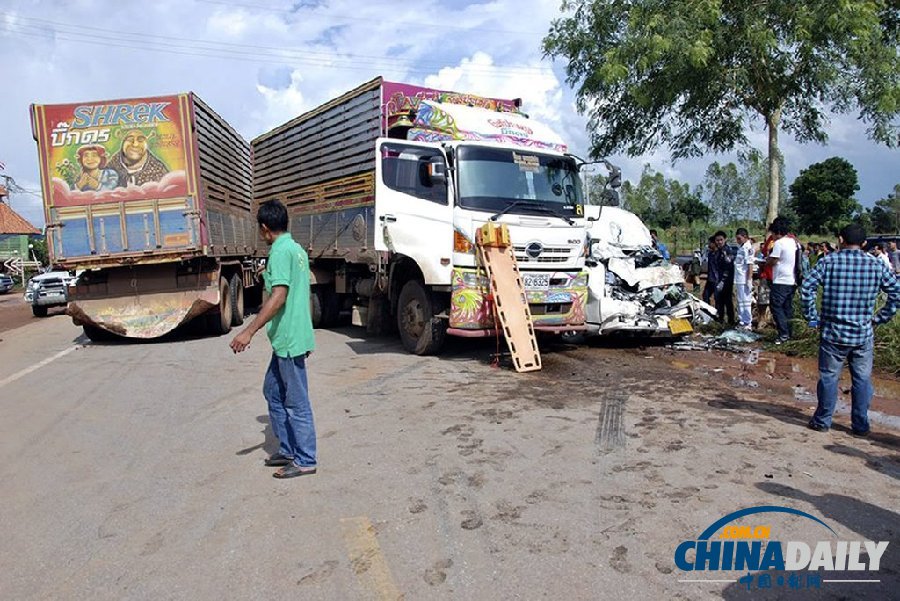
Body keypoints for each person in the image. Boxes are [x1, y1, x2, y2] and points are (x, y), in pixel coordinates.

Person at [230, 200, 318, 479]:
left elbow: (279, 297)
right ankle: (289, 449)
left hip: (290, 339)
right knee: (273, 391)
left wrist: (249, 330)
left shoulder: (280, 252)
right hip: (289, 337)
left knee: (296, 402)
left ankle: (305, 459)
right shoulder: (295, 249)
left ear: (265, 228)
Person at [801, 224, 900, 436]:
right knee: (862, 379)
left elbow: (807, 287)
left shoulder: (828, 261)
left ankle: (822, 420)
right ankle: (860, 424)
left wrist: (812, 318)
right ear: (864, 243)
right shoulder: (875, 264)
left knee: (829, 377)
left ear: (840, 240)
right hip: (863, 333)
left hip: (832, 332)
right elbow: (896, 293)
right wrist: (880, 318)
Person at [766, 219, 800, 344]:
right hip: (791, 280)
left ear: (777, 232)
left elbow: (773, 260)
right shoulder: (793, 242)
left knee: (776, 307)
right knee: (787, 308)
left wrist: (765, 261)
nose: (772, 237)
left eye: (773, 234)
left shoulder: (779, 243)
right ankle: (789, 333)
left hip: (780, 280)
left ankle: (783, 334)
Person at [710, 230, 735, 325]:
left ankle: (731, 321)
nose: (719, 242)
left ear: (725, 239)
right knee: (719, 300)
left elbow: (729, 266)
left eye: (721, 240)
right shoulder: (718, 251)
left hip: (727, 280)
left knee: (727, 301)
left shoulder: (727, 250)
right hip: (719, 279)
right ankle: (720, 319)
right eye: (717, 240)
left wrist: (723, 281)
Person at [733, 228, 754, 330]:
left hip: (744, 279)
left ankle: (747, 322)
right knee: (740, 301)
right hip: (739, 278)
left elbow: (750, 264)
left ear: (745, 237)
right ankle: (742, 321)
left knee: (745, 301)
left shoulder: (748, 248)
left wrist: (749, 280)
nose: (738, 240)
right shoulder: (741, 247)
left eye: (739, 238)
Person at [702, 237, 718, 306]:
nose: (708, 244)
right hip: (710, 279)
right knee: (705, 295)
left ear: (714, 243)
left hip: (717, 280)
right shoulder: (710, 254)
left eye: (710, 243)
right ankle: (708, 312)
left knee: (717, 298)